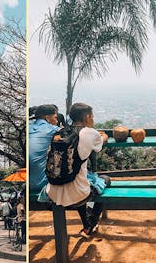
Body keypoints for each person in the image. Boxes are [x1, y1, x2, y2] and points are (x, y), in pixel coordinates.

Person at [46, 102, 110, 238]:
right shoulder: (89, 133)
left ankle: (86, 225)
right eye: (92, 116)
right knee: (105, 180)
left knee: (80, 182)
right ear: (87, 117)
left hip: (53, 192)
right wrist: (103, 135)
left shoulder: (60, 133)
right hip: (77, 194)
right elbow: (102, 141)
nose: (93, 119)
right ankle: (92, 222)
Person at [29, 104, 60, 194]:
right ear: (47, 118)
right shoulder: (51, 129)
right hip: (40, 183)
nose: (57, 121)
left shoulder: (29, 126)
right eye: (55, 117)